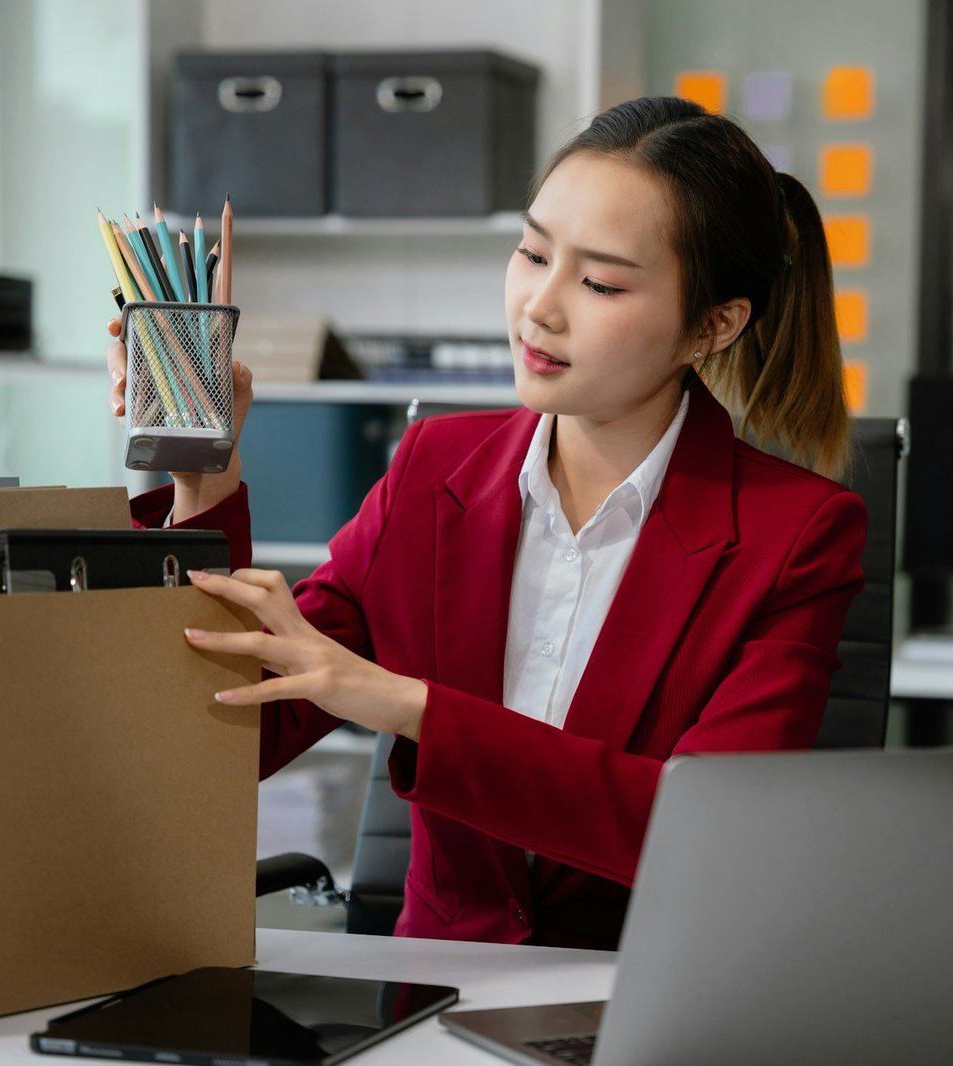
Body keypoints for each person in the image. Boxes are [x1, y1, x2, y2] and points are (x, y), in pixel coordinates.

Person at [105, 96, 867, 950]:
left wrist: (409, 707)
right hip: (437, 997)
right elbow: (229, 728)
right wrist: (201, 471)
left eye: (601, 282)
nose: (539, 308)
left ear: (714, 325)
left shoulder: (798, 535)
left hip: (653, 999)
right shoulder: (434, 471)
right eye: (533, 252)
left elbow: (703, 834)